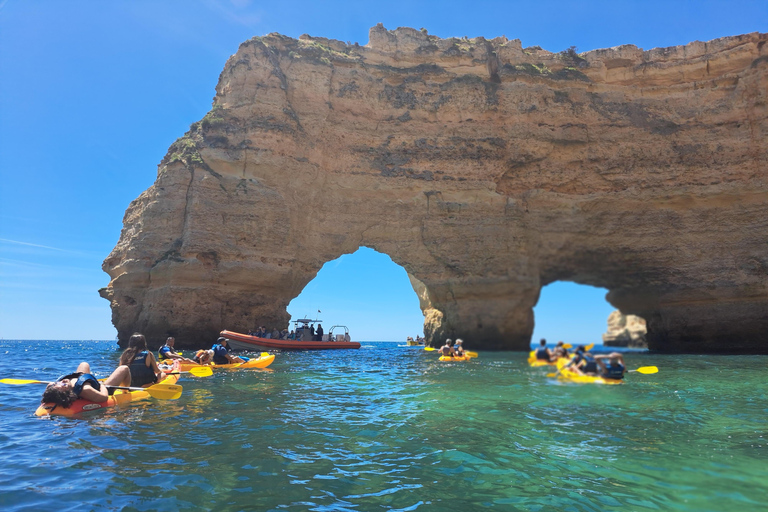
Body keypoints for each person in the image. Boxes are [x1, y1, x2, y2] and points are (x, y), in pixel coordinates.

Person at [40, 362, 131, 411]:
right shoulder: (86, 390)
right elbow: (104, 397)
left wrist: (54, 385)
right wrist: (102, 385)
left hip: (82, 379)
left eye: (57, 383)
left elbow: (51, 386)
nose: (61, 381)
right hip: (101, 389)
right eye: (64, 385)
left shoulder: (52, 386)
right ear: (68, 392)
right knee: (124, 368)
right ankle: (125, 392)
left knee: (84, 364)